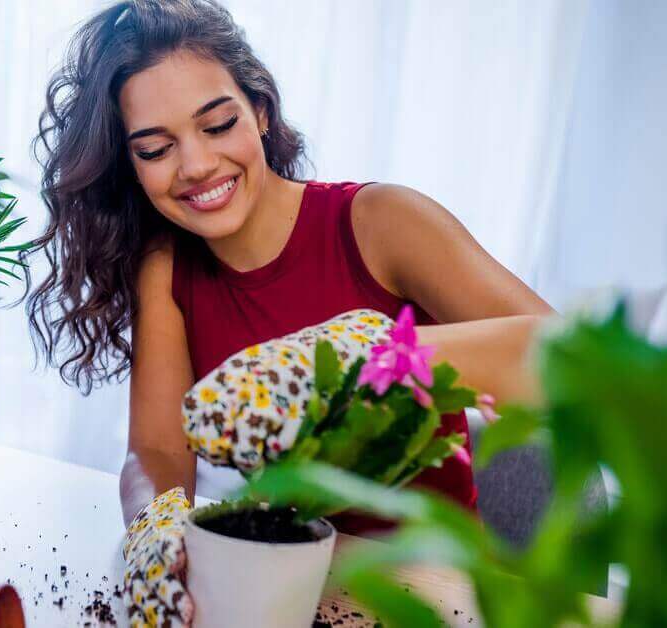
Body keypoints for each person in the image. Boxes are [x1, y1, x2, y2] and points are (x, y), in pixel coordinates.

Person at [28, 0, 553, 622]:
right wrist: (154, 525)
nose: (196, 166)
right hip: (289, 586)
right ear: (132, 167)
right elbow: (158, 449)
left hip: (429, 591)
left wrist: (370, 359)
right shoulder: (167, 267)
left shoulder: (382, 223)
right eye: (155, 148)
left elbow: (567, 357)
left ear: (260, 112)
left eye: (218, 124)